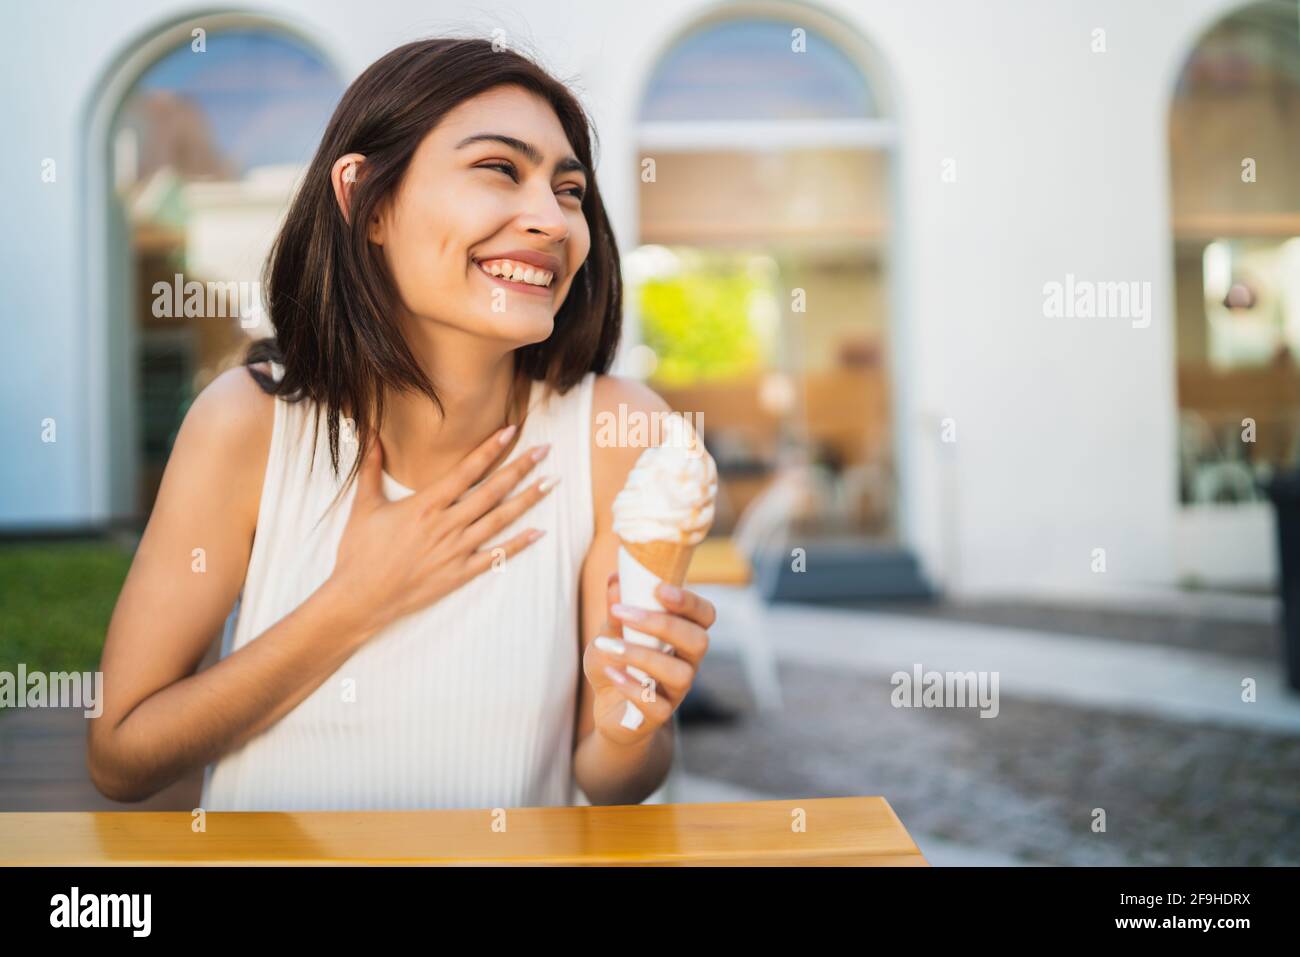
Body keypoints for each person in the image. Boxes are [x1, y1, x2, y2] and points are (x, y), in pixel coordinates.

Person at [88, 37, 717, 811]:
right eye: (499, 169)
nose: (551, 220)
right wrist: (355, 601)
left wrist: (633, 724)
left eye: (569, 190)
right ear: (367, 201)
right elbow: (122, 754)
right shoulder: (248, 425)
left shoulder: (617, 433)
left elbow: (610, 779)